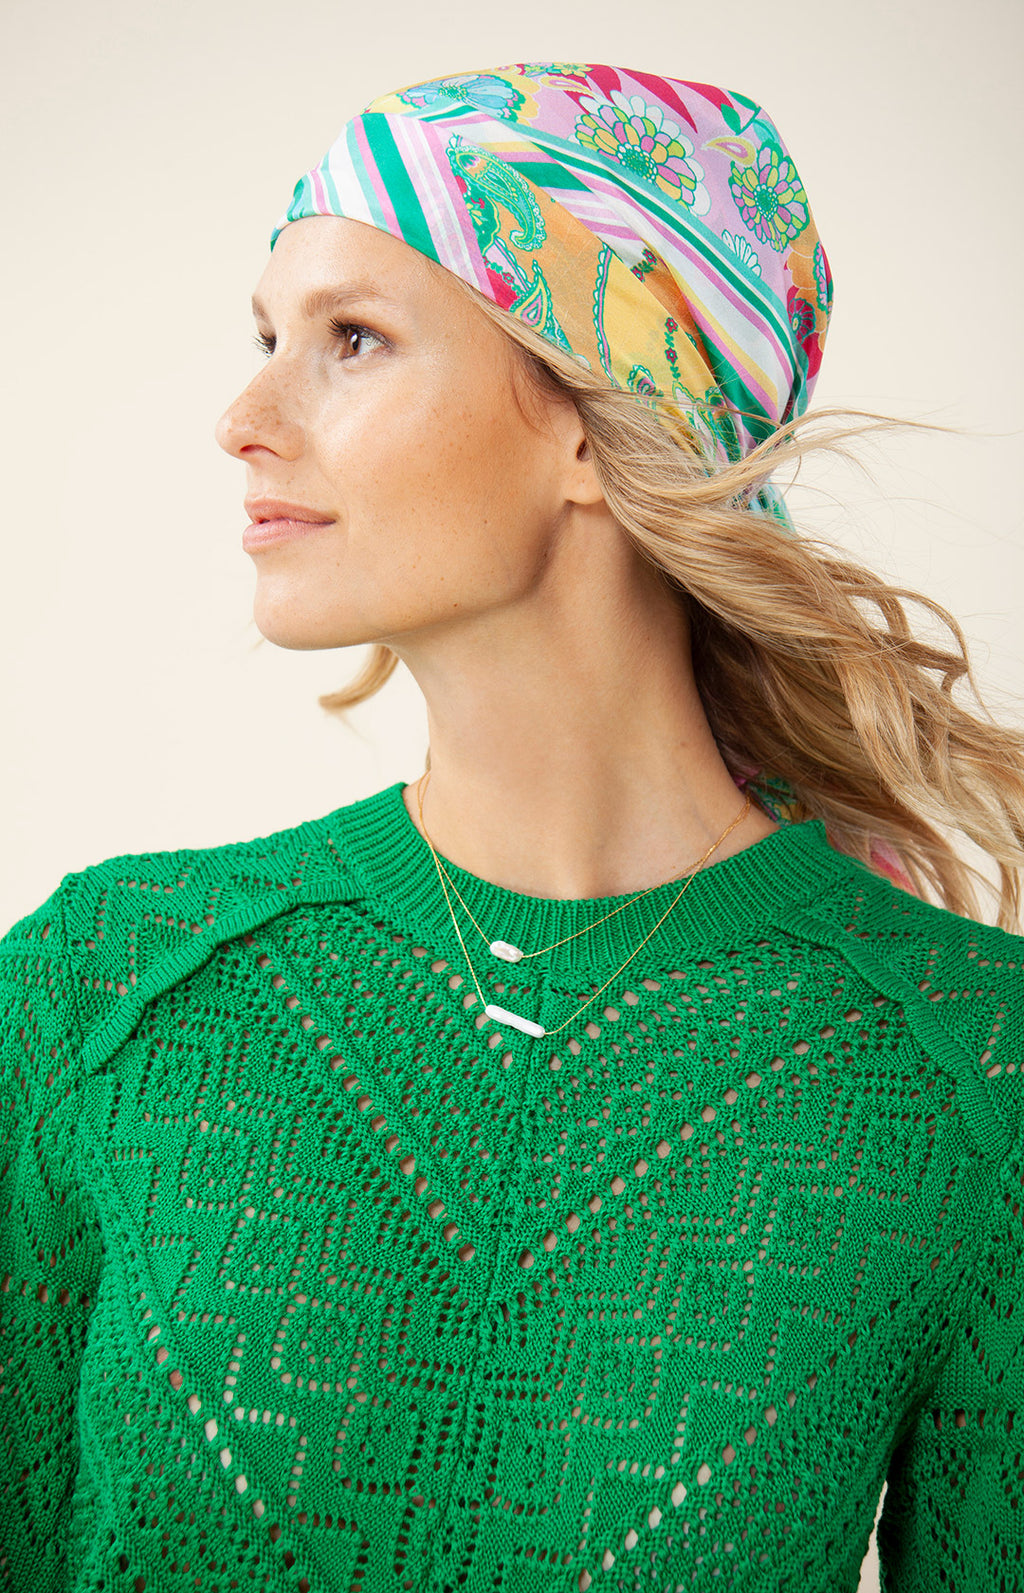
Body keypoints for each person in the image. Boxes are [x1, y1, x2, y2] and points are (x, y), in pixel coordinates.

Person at [1, 61, 1021, 1593]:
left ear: (595, 427)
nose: (243, 418)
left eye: (352, 339)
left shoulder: (969, 1073)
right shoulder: (103, 989)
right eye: (267, 338)